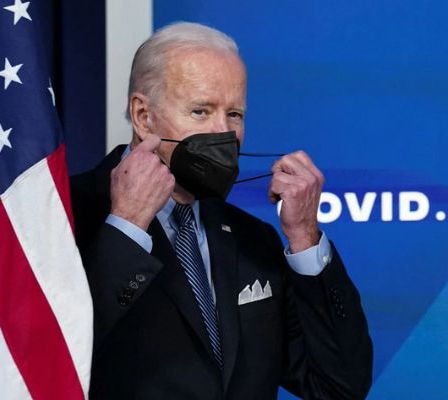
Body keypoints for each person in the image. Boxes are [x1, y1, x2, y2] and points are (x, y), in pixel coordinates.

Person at [70, 22, 372, 400]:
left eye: (235, 114)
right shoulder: (66, 215)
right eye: (201, 111)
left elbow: (339, 385)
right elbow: (50, 355)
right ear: (143, 115)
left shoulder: (253, 240)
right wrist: (126, 228)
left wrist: (304, 239)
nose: (223, 133)